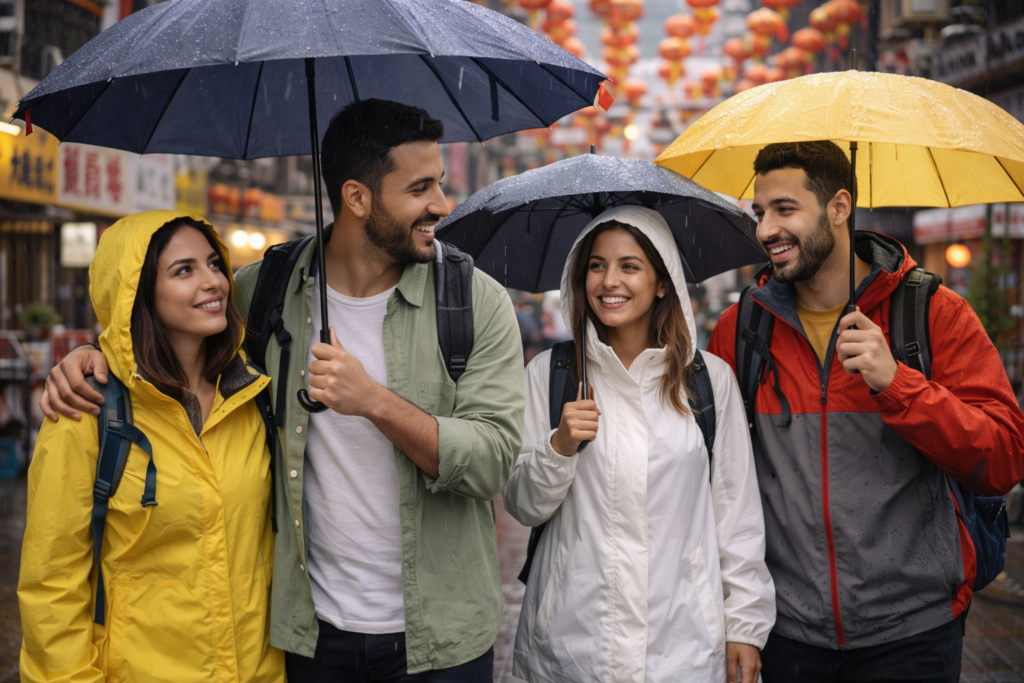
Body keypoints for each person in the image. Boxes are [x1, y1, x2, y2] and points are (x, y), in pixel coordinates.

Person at [39, 100, 526, 681]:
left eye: (440, 184)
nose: (441, 206)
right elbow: (161, 322)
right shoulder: (263, 290)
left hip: (441, 639)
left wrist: (372, 400)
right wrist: (92, 354)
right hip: (307, 634)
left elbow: (492, 462)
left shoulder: (475, 301)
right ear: (357, 198)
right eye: (420, 188)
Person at [707, 141, 1024, 681]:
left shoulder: (933, 313)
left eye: (785, 209)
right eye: (760, 213)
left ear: (839, 207)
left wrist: (897, 385)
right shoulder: (741, 331)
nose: (765, 230)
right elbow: (717, 481)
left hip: (914, 636)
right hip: (788, 636)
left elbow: (1003, 457)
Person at [503, 206, 776, 683]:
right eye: (596, 265)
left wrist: (745, 627)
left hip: (683, 648)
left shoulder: (710, 382)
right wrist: (559, 446)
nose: (610, 281)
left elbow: (736, 516)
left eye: (630, 266)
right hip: (571, 649)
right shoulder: (550, 375)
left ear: (663, 281)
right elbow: (523, 505)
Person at [20, 211, 284, 682]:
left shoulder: (251, 394)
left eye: (213, 264)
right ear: (137, 294)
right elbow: (52, 584)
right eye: (184, 271)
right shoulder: (88, 409)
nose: (213, 283)